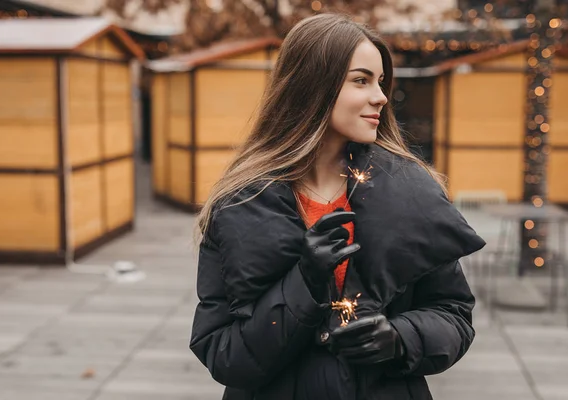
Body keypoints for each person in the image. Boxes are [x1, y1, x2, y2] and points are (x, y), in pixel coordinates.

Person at [190, 13, 485, 400]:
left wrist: (400, 338)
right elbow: (222, 352)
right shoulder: (239, 203)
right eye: (361, 80)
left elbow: (453, 312)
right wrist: (304, 283)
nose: (380, 95)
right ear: (313, 86)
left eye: (380, 81)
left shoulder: (412, 191)